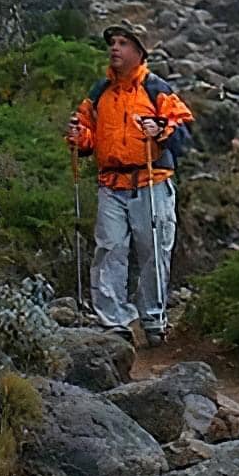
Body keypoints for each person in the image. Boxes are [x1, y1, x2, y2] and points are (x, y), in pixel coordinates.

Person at [65, 23, 194, 342]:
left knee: (153, 250)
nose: (115, 48)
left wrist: (161, 130)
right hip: (111, 184)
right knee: (109, 250)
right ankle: (114, 323)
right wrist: (79, 138)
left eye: (123, 43)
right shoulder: (99, 93)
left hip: (151, 180)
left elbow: (184, 135)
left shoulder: (156, 89)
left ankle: (153, 319)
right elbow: (87, 136)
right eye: (113, 43)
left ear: (139, 52)